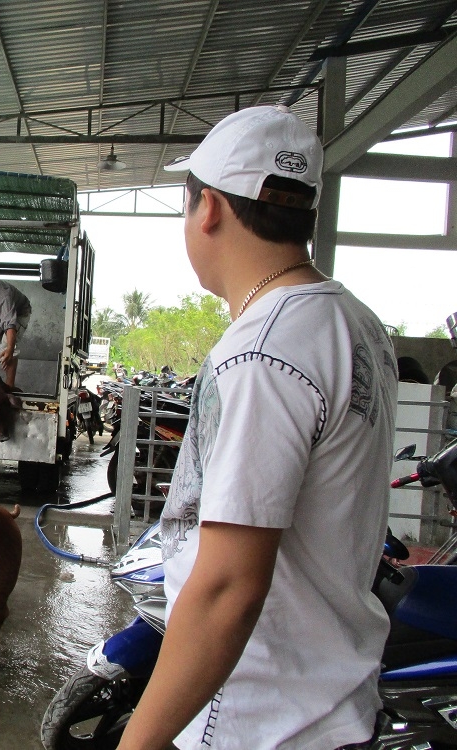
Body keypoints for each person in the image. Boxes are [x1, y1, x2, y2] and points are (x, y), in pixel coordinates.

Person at [117, 105, 398, 750]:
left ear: (209, 209)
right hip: (330, 706)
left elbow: (227, 588)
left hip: (255, 720)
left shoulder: (262, 353)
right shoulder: (353, 323)